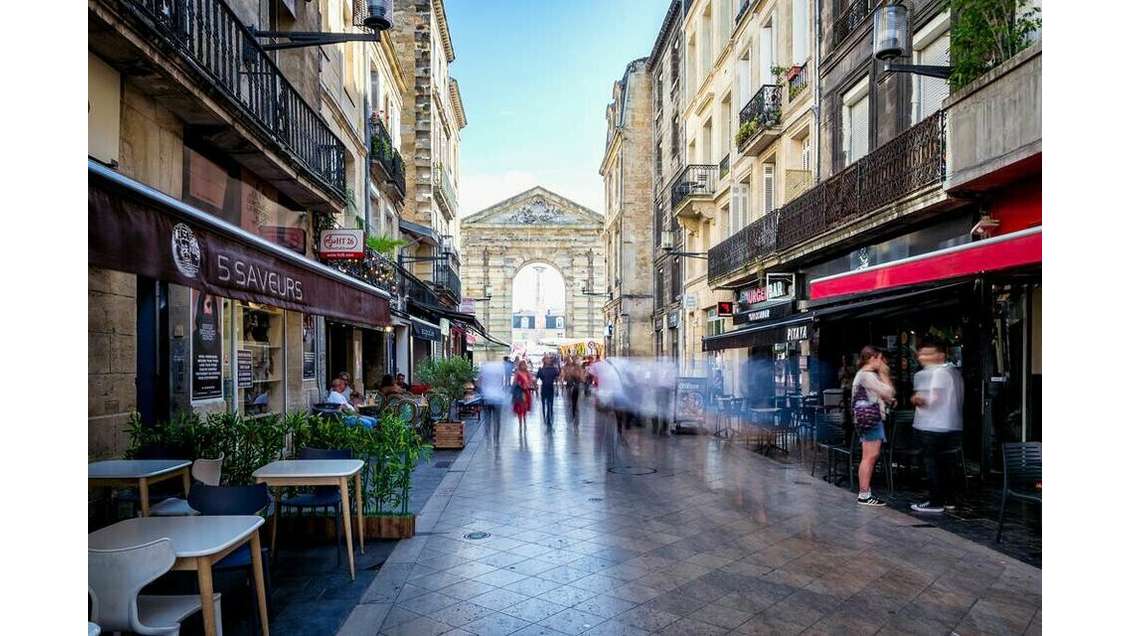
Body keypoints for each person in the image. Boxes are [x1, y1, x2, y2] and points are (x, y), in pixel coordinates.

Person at [909, 338, 965, 513]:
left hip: (933, 427)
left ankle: (935, 502)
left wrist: (916, 399)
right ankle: (951, 500)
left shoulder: (939, 373)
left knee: (934, 465)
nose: (923, 356)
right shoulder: (953, 372)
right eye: (922, 353)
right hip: (951, 425)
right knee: (947, 465)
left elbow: (932, 400)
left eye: (928, 353)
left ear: (940, 355)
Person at [852, 346, 896, 507]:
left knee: (870, 456)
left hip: (867, 419)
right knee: (869, 457)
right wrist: (885, 373)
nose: (882, 362)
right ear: (872, 358)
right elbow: (889, 392)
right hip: (871, 419)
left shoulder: (863, 375)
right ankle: (864, 494)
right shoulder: (867, 376)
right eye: (880, 358)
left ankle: (865, 493)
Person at [479, 361, 508, 438]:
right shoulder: (500, 366)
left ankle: (488, 436)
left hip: (487, 397)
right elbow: (502, 382)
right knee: (497, 420)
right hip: (498, 397)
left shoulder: (484, 366)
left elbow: (480, 381)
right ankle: (496, 437)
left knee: (487, 419)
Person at [536, 356, 561, 428]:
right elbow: (537, 378)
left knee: (549, 403)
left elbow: (557, 377)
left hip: (549, 387)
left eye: (548, 359)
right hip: (545, 387)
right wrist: (536, 387)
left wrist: (557, 387)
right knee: (545, 403)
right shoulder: (542, 369)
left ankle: (548, 416)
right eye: (547, 359)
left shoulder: (552, 369)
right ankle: (546, 416)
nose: (548, 360)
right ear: (544, 361)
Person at [512, 360, 534, 427]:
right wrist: (518, 384)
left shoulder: (528, 373)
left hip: (526, 391)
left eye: (524, 365)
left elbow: (530, 381)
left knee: (525, 407)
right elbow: (514, 382)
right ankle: (520, 422)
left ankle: (524, 420)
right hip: (519, 392)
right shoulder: (517, 373)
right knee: (519, 407)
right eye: (522, 365)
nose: (523, 366)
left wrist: (528, 385)